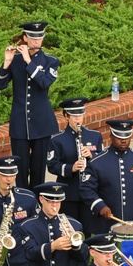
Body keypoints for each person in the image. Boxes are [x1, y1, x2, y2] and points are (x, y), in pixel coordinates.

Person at [0, 21, 59, 189]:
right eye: (32, 38)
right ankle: (22, 204)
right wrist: (6, 63)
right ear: (25, 38)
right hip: (20, 124)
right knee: (19, 171)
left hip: (42, 124)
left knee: (38, 172)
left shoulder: (51, 61)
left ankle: (37, 207)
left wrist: (30, 62)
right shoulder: (16, 60)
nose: (36, 41)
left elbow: (44, 83)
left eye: (40, 38)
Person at [79, 119, 133, 235]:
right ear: (111, 136)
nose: (124, 141)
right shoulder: (96, 162)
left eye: (127, 137)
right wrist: (100, 206)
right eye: (119, 137)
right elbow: (86, 189)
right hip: (106, 223)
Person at [47, 97, 103, 235]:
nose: (78, 119)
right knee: (69, 230)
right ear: (66, 116)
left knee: (89, 230)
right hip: (69, 193)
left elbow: (104, 161)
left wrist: (92, 156)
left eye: (80, 115)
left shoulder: (94, 136)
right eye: (74, 116)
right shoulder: (57, 140)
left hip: (90, 191)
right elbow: (52, 165)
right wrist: (71, 168)